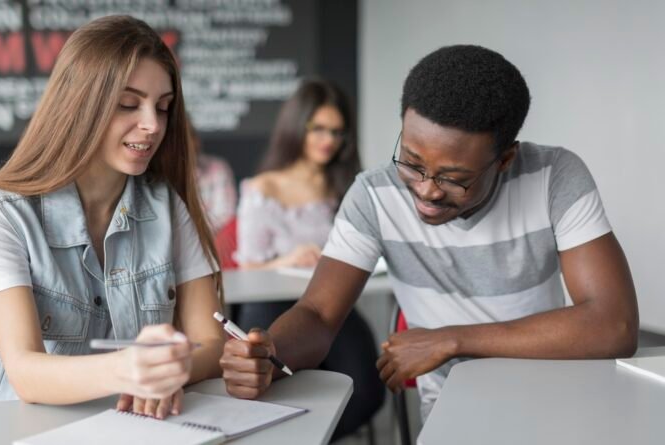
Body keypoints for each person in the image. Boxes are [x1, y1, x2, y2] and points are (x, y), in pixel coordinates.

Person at [219, 45, 639, 423]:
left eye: (455, 178)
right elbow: (318, 314)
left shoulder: (554, 177)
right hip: (453, 410)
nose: (426, 189)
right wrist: (269, 354)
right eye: (411, 161)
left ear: (506, 158)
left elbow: (613, 324)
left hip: (555, 396)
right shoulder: (374, 194)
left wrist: (452, 340)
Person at [0, 15, 225, 419]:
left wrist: (171, 369)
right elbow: (26, 373)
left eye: (163, 107)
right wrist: (129, 369)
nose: (152, 125)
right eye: (128, 104)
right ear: (80, 104)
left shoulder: (166, 205)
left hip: (98, 425)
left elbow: (212, 340)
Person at [233, 79, 384, 439]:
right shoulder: (263, 188)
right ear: (296, 127)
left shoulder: (344, 187)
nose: (328, 139)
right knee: (274, 391)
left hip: (331, 304)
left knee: (367, 390)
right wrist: (288, 258)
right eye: (318, 128)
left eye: (336, 131)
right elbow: (247, 268)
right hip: (269, 304)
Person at [189, 120, 237, 234]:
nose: (191, 144)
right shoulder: (159, 175)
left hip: (213, 243)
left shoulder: (217, 168)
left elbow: (225, 216)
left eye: (191, 136)